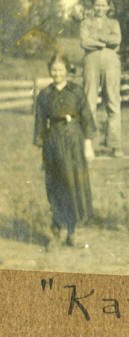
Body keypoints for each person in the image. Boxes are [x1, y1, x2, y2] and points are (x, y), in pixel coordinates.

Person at [34, 54, 96, 247]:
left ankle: (72, 233)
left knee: (74, 186)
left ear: (67, 71)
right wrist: (43, 152)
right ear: (50, 71)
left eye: (60, 69)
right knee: (56, 188)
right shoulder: (44, 95)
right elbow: (39, 124)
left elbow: (86, 118)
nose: (57, 73)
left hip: (74, 142)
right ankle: (56, 233)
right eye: (54, 69)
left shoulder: (76, 91)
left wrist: (88, 146)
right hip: (53, 143)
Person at [80, 0, 123, 157]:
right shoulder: (85, 22)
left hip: (111, 63)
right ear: (93, 5)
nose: (100, 8)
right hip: (91, 62)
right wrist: (104, 43)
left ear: (108, 6)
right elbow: (84, 42)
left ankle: (116, 145)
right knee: (89, 102)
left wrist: (96, 38)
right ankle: (89, 144)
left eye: (103, 4)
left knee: (113, 101)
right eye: (97, 4)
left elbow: (117, 40)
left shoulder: (114, 23)